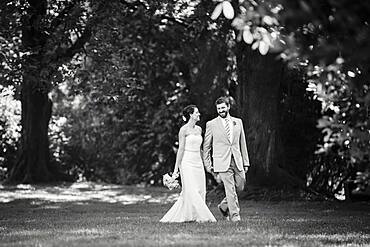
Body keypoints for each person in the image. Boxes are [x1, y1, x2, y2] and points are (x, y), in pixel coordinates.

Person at [160, 105, 216, 223]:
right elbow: (181, 149)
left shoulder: (199, 129)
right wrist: (176, 169)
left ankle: (193, 215)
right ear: (191, 115)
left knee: (200, 189)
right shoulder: (183, 130)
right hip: (187, 162)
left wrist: (206, 164)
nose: (199, 114)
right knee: (191, 189)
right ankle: (204, 216)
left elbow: (200, 149)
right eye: (197, 112)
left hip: (198, 162)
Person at [203, 97, 250, 222]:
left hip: (237, 159)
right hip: (221, 161)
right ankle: (235, 216)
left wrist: (246, 162)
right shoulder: (211, 124)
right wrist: (208, 165)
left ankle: (224, 206)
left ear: (228, 107)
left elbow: (242, 143)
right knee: (230, 189)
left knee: (240, 186)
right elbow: (206, 146)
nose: (221, 110)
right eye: (218, 109)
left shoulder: (238, 122)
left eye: (223, 108)